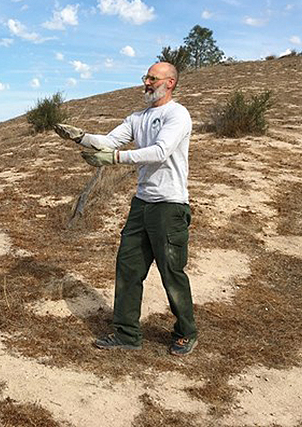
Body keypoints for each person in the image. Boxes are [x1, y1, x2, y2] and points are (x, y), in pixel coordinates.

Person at [54, 61, 197, 356]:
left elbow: (160, 151)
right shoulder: (137, 117)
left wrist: (116, 159)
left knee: (171, 271)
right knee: (128, 267)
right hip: (141, 204)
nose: (146, 82)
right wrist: (80, 136)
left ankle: (186, 331)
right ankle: (127, 332)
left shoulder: (177, 114)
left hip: (169, 206)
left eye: (152, 78)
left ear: (169, 83)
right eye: (145, 77)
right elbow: (108, 141)